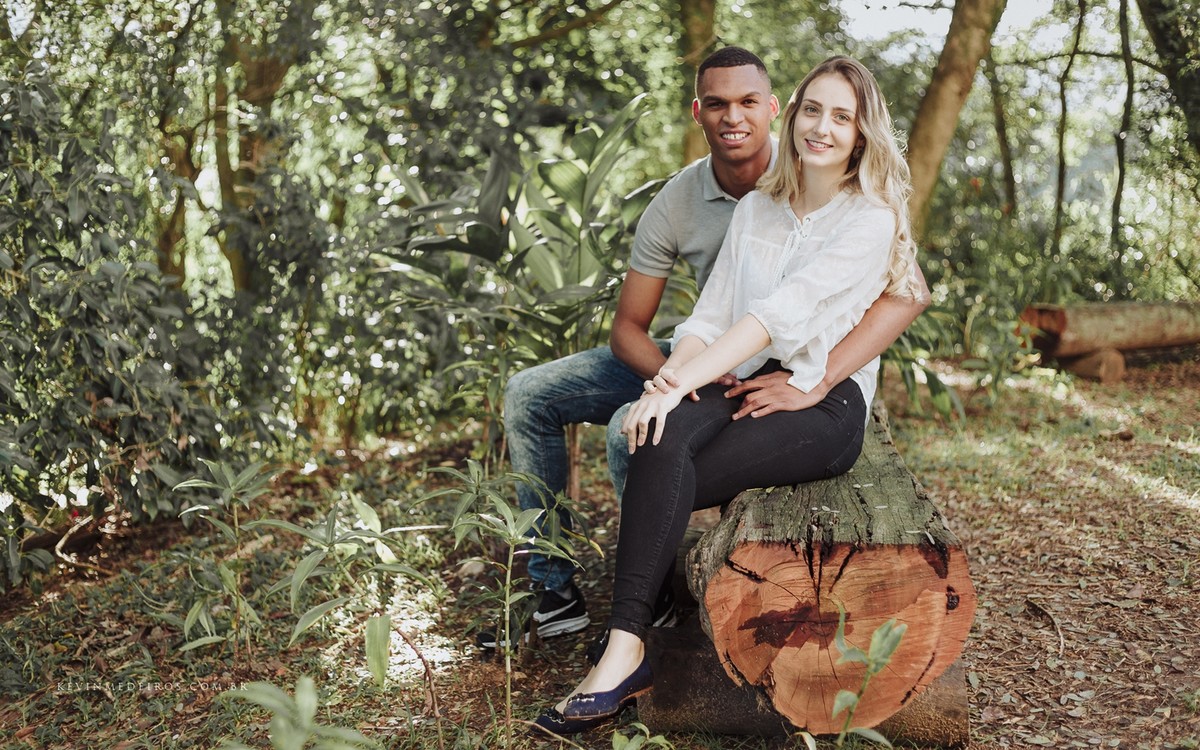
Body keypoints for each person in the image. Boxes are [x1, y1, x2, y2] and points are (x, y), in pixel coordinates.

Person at [531, 55, 924, 735]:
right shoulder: (760, 207)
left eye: (841, 116)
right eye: (813, 110)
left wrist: (690, 381)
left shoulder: (869, 217)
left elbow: (782, 313)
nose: (821, 128)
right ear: (792, 113)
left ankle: (630, 640)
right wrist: (667, 383)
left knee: (667, 469)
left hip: (820, 403)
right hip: (747, 372)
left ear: (861, 134)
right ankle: (627, 649)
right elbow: (712, 318)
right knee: (657, 434)